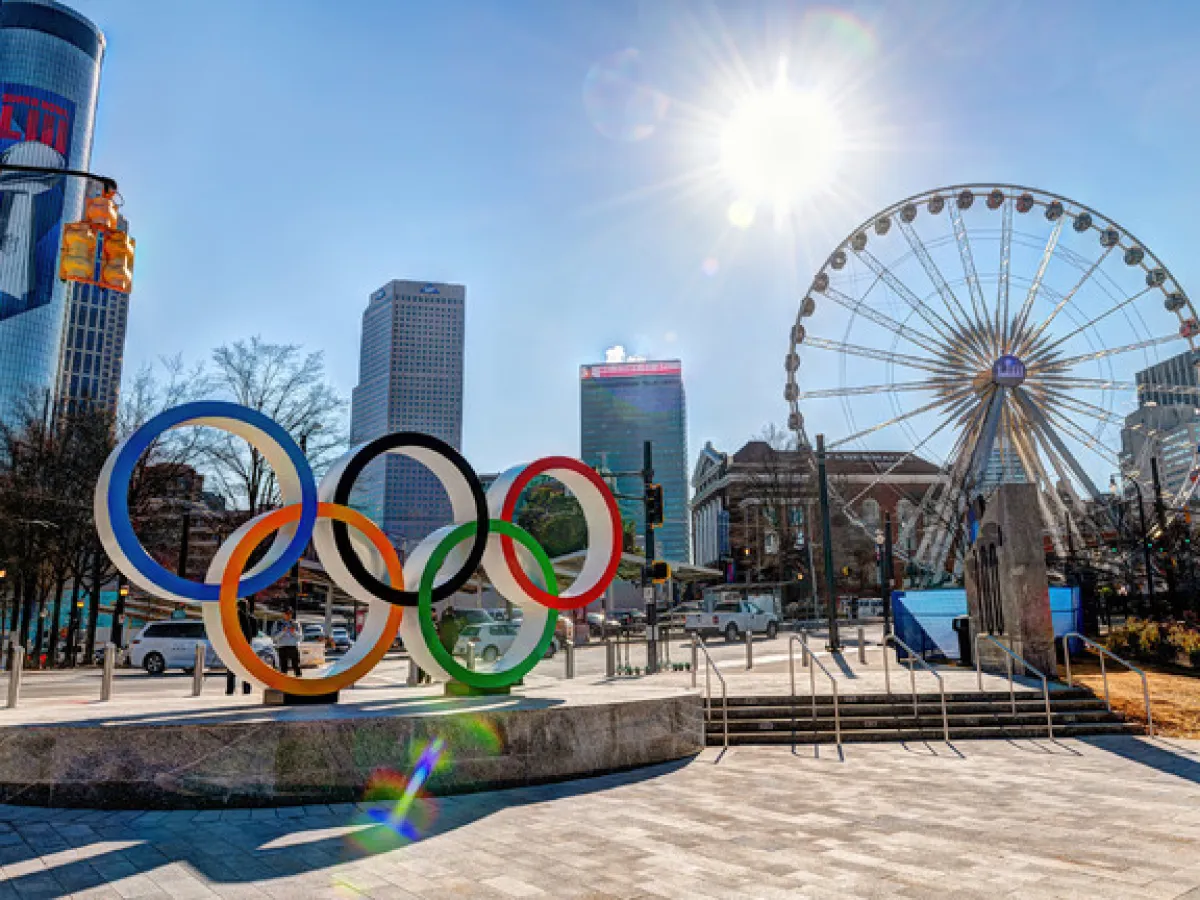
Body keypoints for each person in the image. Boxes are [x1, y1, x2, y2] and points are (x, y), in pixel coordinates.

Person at [226, 600, 256, 695]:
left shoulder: (234, 617)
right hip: (247, 646)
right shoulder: (252, 618)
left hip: (234, 645)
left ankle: (230, 690)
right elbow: (254, 633)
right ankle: (246, 690)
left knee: (232, 668)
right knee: (246, 670)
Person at [275, 609, 302, 677]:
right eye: (287, 614)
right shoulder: (278, 623)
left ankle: (299, 681)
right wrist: (283, 632)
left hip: (293, 647)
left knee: (296, 666)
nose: (289, 615)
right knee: (283, 667)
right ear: (283, 614)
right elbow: (274, 637)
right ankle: (284, 684)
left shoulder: (295, 623)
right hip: (282, 647)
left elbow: (300, 637)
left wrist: (294, 632)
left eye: (290, 614)